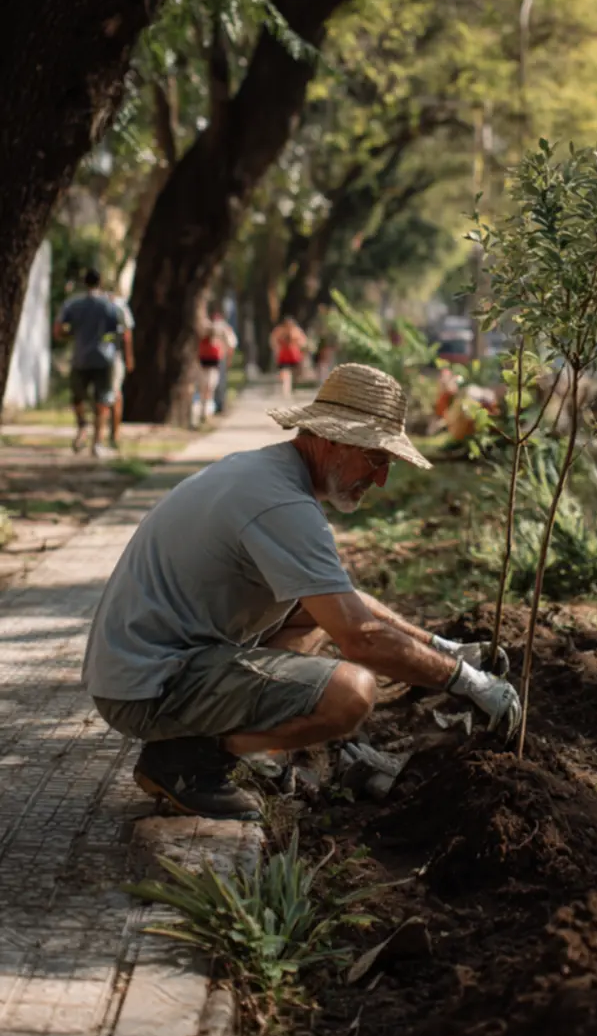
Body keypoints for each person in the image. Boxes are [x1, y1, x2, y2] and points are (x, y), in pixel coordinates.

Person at [83, 363, 520, 821]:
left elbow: (344, 604)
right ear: (334, 440)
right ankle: (189, 761)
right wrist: (467, 682)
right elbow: (361, 638)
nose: (380, 479)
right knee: (351, 694)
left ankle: (224, 745)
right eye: (377, 460)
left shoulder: (267, 473)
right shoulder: (282, 504)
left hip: (144, 665)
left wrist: (447, 651)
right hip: (148, 686)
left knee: (317, 611)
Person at [54, 268, 124, 457]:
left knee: (78, 397)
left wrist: (72, 335)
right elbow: (117, 332)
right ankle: (97, 443)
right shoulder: (109, 305)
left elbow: (58, 330)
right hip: (104, 358)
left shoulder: (73, 304)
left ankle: (82, 426)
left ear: (84, 282)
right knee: (103, 401)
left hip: (80, 358)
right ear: (100, 282)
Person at [196, 310, 237, 423]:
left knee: (211, 386)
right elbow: (231, 344)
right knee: (209, 386)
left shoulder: (223, 329)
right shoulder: (207, 328)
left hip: (216, 360)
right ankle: (209, 409)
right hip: (208, 360)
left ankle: (214, 407)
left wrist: (228, 358)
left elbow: (231, 344)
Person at [107, 293, 135, 451]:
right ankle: (112, 434)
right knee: (114, 395)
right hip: (112, 357)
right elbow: (127, 334)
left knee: (110, 395)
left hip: (107, 356)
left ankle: (113, 433)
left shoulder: (117, 306)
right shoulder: (119, 306)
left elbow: (126, 334)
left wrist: (129, 357)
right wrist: (129, 357)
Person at [270, 315, 308, 398]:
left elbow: (303, 342)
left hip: (294, 356)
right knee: (285, 373)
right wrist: (277, 348)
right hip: (283, 356)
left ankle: (291, 388)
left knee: (295, 374)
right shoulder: (279, 331)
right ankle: (286, 391)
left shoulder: (296, 331)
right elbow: (273, 340)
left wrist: (299, 345)